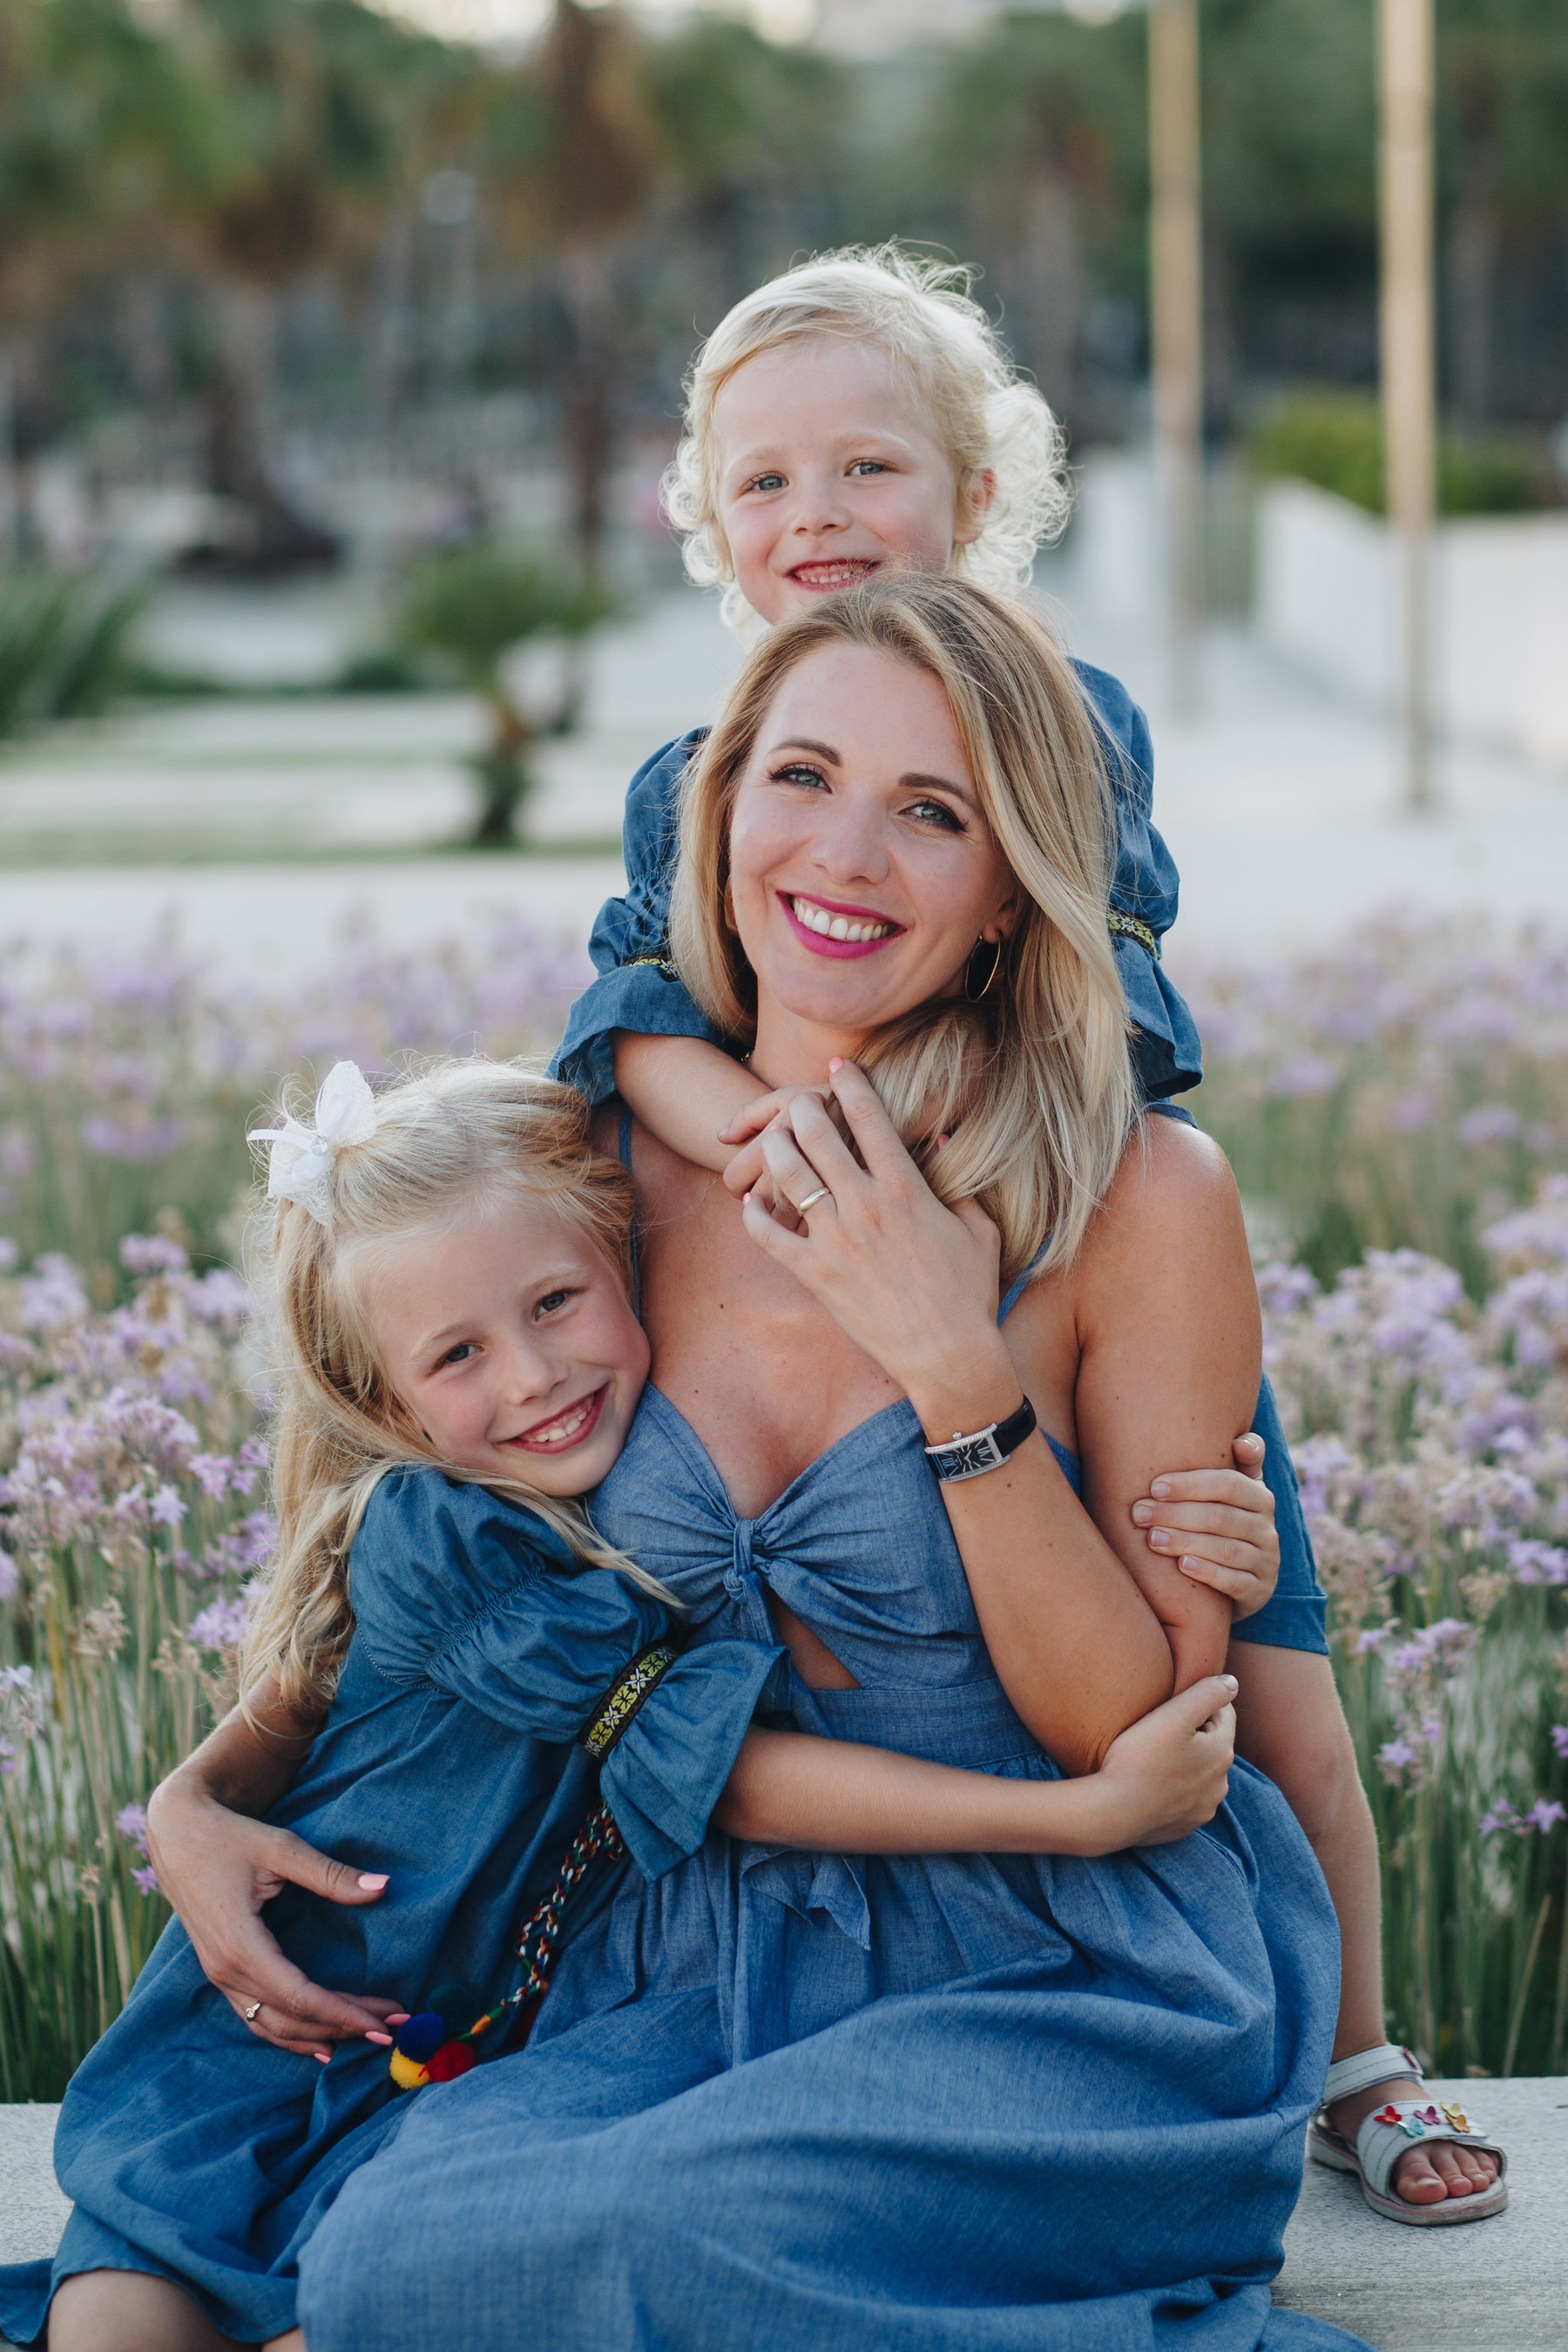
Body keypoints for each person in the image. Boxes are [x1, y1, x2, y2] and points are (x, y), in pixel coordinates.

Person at [284, 574, 1385, 2350]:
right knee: (385, 2258)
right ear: (719, 814)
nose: (845, 854)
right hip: (690, 1968)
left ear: (1015, 892)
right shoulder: (584, 1183)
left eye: (931, 812)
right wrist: (201, 1798)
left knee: (666, 2240)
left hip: (1071, 1974)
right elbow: (398, 1573)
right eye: (799, 778)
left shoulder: (1141, 1199)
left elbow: (1146, 1739)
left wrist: (952, 1360)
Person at [550, 246, 1504, 2220]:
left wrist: (930, 1236)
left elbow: (1101, 1023)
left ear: (977, 498)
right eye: (762, 486)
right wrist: (773, 1151)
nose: (815, 519)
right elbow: (628, 1022)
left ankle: (1360, 2054)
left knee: (1279, 1697)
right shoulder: (693, 778)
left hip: (1074, 1297)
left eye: (866, 472)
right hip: (811, 1297)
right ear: (710, 529)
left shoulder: (1069, 719)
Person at [3, 1057, 1243, 2352]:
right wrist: (1084, 1816)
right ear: (385, 1401)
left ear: (626, 1264)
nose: (536, 1376)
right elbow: (732, 1778)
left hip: (446, 2048)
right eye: (460, 1354)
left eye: (556, 1303)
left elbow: (292, 1712)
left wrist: (1221, 1535)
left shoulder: (585, 1487)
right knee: (124, 2325)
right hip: (276, 2040)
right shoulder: (447, 1529)